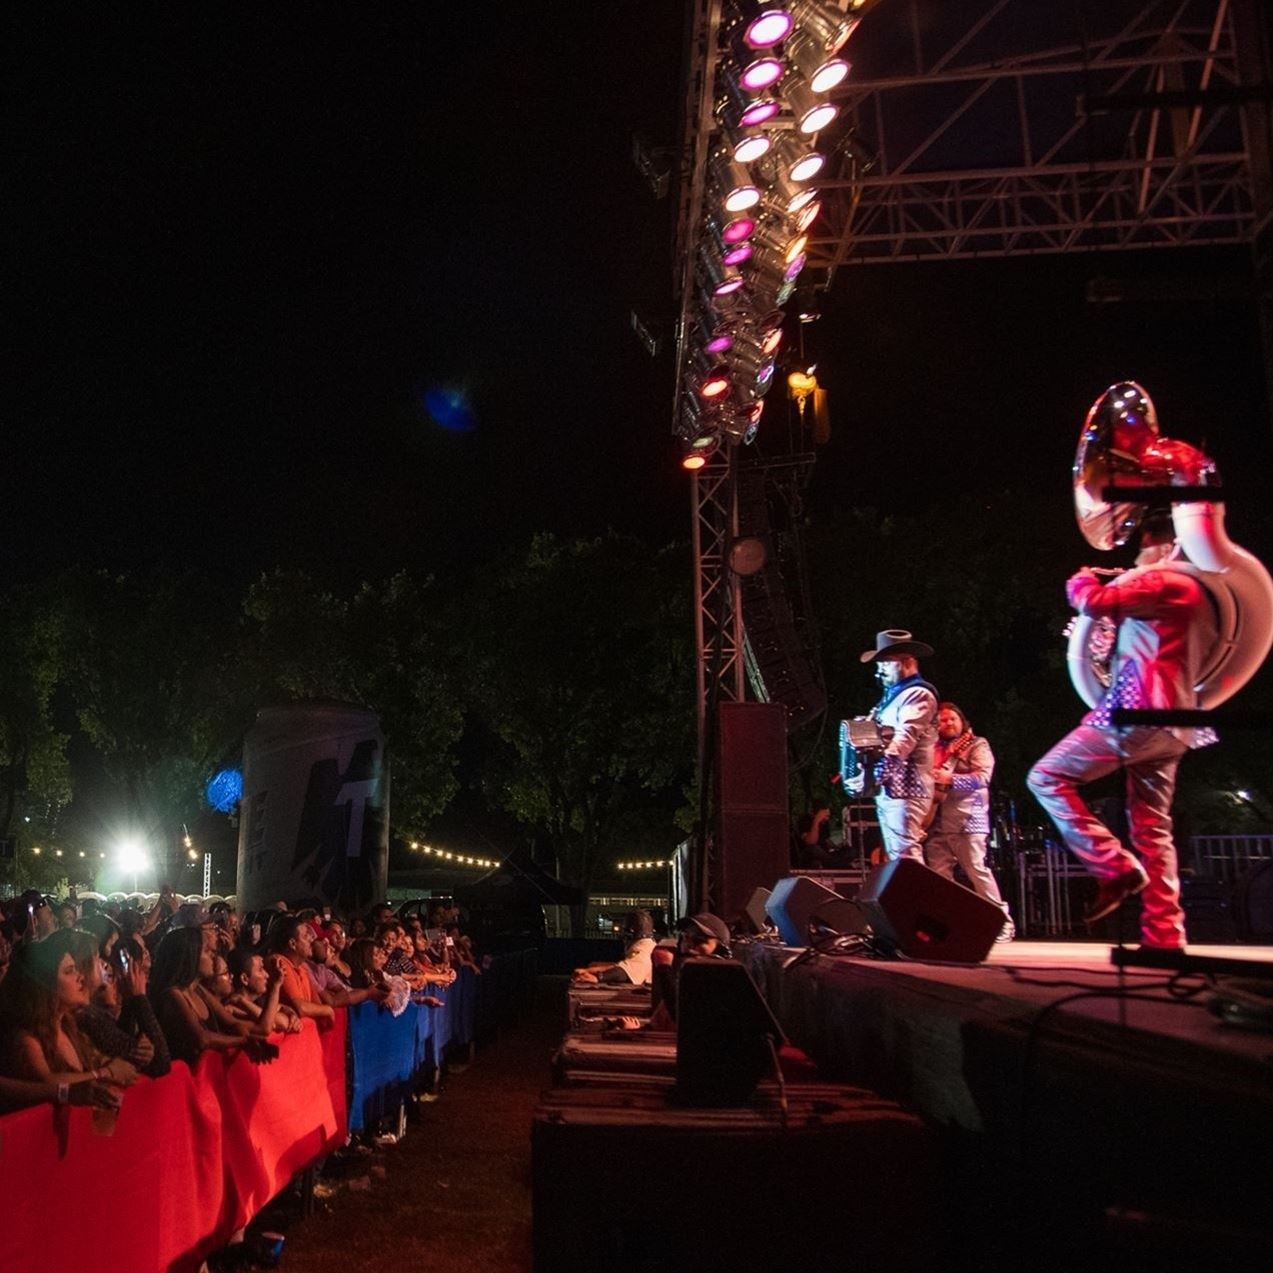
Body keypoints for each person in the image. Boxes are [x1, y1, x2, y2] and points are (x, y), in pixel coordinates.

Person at [1027, 513, 1216, 949]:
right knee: (1153, 827)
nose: (1135, 557)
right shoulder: (1194, 590)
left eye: (1140, 548)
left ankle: (1113, 866)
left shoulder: (1160, 579)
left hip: (1137, 713)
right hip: (1176, 723)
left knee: (1046, 777)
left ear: (1158, 544)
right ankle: (1165, 935)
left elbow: (1091, 600)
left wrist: (1082, 577)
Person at [0, 930, 139, 1104]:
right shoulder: (26, 1039)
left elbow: (99, 1059)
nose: (80, 977)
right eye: (69, 971)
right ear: (44, 986)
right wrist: (106, 1073)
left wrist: (120, 1063)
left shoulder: (68, 1024)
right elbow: (46, 1083)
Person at [845, 630, 939, 863]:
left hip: (908, 789)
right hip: (893, 789)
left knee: (906, 857)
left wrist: (873, 777)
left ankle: (919, 899)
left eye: (886, 663)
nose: (880, 671)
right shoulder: (893, 698)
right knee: (900, 857)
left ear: (907, 662)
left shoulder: (918, 694)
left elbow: (903, 742)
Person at [924, 702, 1014, 941]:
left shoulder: (977, 744)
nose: (947, 723)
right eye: (942, 720)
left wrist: (950, 778)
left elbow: (983, 778)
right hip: (936, 821)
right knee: (939, 876)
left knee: (976, 869)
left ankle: (1001, 921)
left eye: (952, 718)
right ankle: (950, 923)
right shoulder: (932, 748)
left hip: (967, 819)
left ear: (962, 721)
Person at [571, 911, 657, 985]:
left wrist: (597, 978)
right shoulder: (647, 945)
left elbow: (622, 972)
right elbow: (621, 966)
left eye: (624, 930)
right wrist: (590, 970)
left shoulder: (643, 950)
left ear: (630, 933)